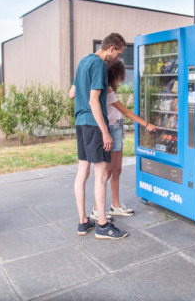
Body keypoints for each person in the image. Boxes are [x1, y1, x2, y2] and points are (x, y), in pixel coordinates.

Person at [69, 33, 128, 240]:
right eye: (118, 53)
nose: (118, 58)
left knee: (82, 173)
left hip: (80, 123)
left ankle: (83, 222)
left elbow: (71, 93)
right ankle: (103, 224)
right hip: (94, 124)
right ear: (111, 48)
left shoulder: (83, 62)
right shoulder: (100, 65)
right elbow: (94, 101)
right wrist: (105, 132)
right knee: (102, 174)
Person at [89, 59, 156, 220]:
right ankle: (98, 209)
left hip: (117, 129)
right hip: (112, 130)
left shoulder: (108, 89)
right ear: (115, 74)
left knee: (117, 170)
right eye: (120, 75)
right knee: (108, 172)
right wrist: (146, 124)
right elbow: (126, 111)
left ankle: (115, 205)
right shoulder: (107, 91)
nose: (122, 78)